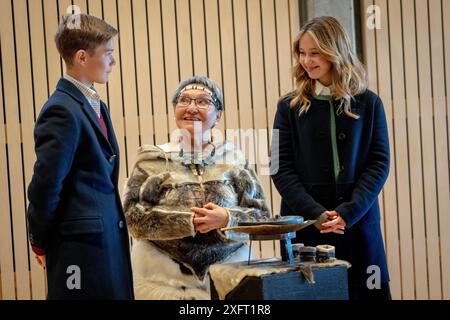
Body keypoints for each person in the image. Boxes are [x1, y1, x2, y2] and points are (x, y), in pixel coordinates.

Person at [270, 16, 391, 300]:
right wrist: (316, 214)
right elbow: (279, 167)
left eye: (315, 53)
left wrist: (347, 213)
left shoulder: (370, 102)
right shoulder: (285, 107)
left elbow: (379, 163)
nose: (306, 61)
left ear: (336, 51)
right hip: (305, 228)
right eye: (302, 53)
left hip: (358, 224)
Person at [123, 76, 269, 300]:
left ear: (218, 115)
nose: (191, 108)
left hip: (229, 280)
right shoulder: (151, 158)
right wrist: (186, 222)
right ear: (174, 110)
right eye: (184, 100)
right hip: (163, 283)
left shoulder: (233, 158)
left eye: (202, 101)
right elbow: (132, 217)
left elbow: (262, 216)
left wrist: (227, 218)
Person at [27, 14, 134, 299]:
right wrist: (39, 241)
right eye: (108, 54)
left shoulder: (93, 103)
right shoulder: (61, 109)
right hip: (81, 249)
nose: (113, 62)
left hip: (103, 241)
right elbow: (46, 185)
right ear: (83, 57)